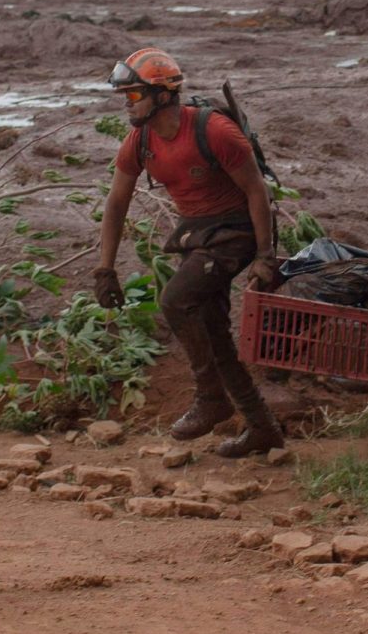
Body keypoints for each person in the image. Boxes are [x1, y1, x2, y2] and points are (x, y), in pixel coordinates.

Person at [94, 47, 285, 457]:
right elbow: (115, 204)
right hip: (198, 234)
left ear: (162, 94)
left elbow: (256, 191)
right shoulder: (139, 140)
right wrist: (103, 269)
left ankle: (211, 398)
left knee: (177, 300)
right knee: (213, 331)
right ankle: (262, 429)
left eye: (132, 95)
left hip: (237, 230)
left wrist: (265, 255)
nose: (127, 104)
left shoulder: (214, 131)